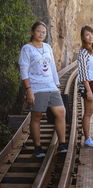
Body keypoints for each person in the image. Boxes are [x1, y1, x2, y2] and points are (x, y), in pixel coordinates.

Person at [19, 21, 67, 157]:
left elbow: (52, 67)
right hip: (36, 87)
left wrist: (57, 84)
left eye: (44, 32)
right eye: (39, 31)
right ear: (33, 32)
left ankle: (62, 144)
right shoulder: (27, 49)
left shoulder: (47, 47)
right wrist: (28, 89)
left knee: (61, 112)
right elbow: (24, 70)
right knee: (37, 116)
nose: (41, 34)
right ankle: (38, 147)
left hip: (50, 85)